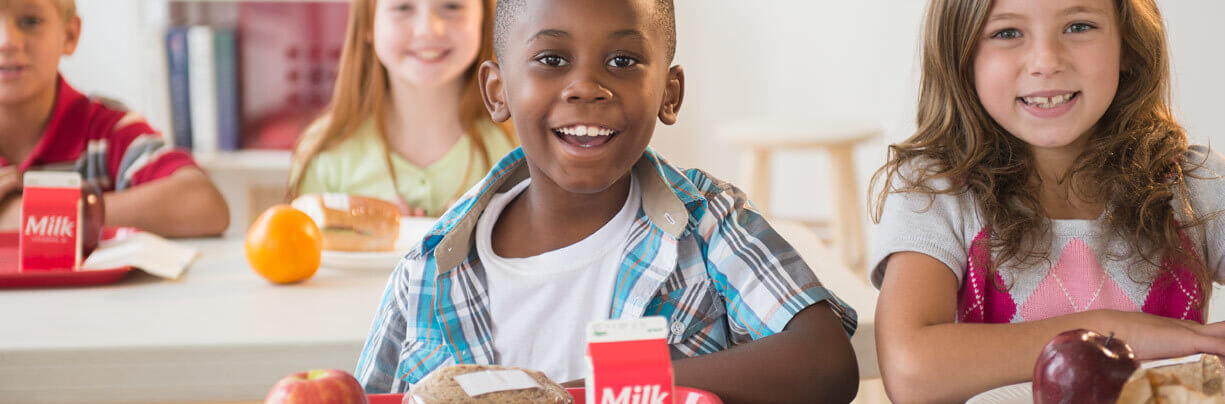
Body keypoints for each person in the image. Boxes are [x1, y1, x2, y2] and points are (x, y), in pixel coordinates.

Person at [355, 0, 860, 402]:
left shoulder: (709, 226)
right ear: (497, 90)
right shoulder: (428, 271)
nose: (586, 88)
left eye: (622, 61)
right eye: (551, 60)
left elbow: (825, 364)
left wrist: (568, 395)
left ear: (670, 92)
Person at [870, 0, 1225, 401]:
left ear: (1128, 44)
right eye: (1007, 33)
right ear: (961, 55)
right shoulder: (937, 191)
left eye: (1078, 26)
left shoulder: (1194, 183)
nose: (1046, 61)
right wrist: (1116, 335)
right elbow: (911, 373)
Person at [0, 0, 228, 237]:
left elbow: (203, 204)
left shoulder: (108, 131)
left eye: (30, 21)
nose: (6, 42)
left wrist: (33, 216)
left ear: (69, 35)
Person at [288, 0, 516, 217]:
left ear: (485, 20)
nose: (428, 29)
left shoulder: (521, 147)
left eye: (452, 6)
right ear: (368, 22)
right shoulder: (324, 151)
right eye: (403, 7)